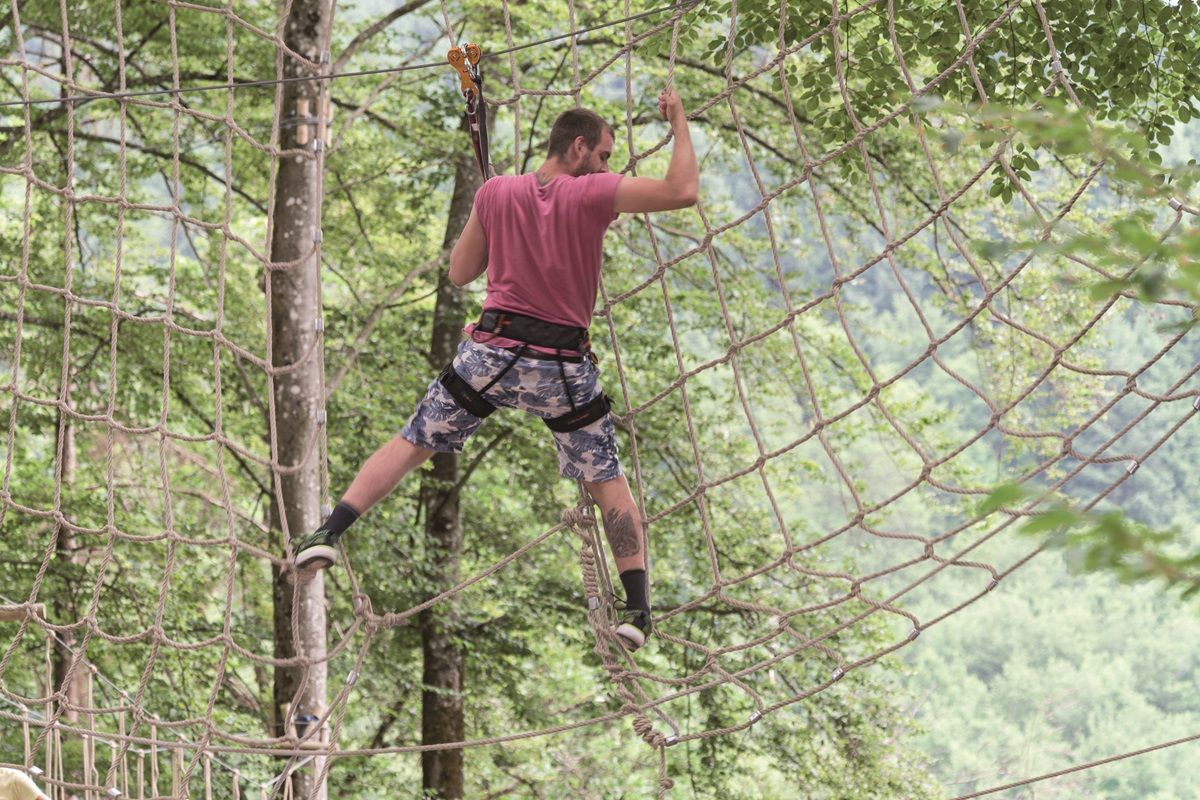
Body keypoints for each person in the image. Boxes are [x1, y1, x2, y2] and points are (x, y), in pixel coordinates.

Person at [293, 88, 698, 651]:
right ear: (579, 148)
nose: (609, 167)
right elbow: (682, 192)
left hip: (492, 355)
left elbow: (461, 273)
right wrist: (678, 120)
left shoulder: (497, 192)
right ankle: (636, 610)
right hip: (561, 368)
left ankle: (328, 532)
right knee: (608, 482)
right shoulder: (593, 193)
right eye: (605, 155)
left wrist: (498, 218)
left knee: (414, 442)